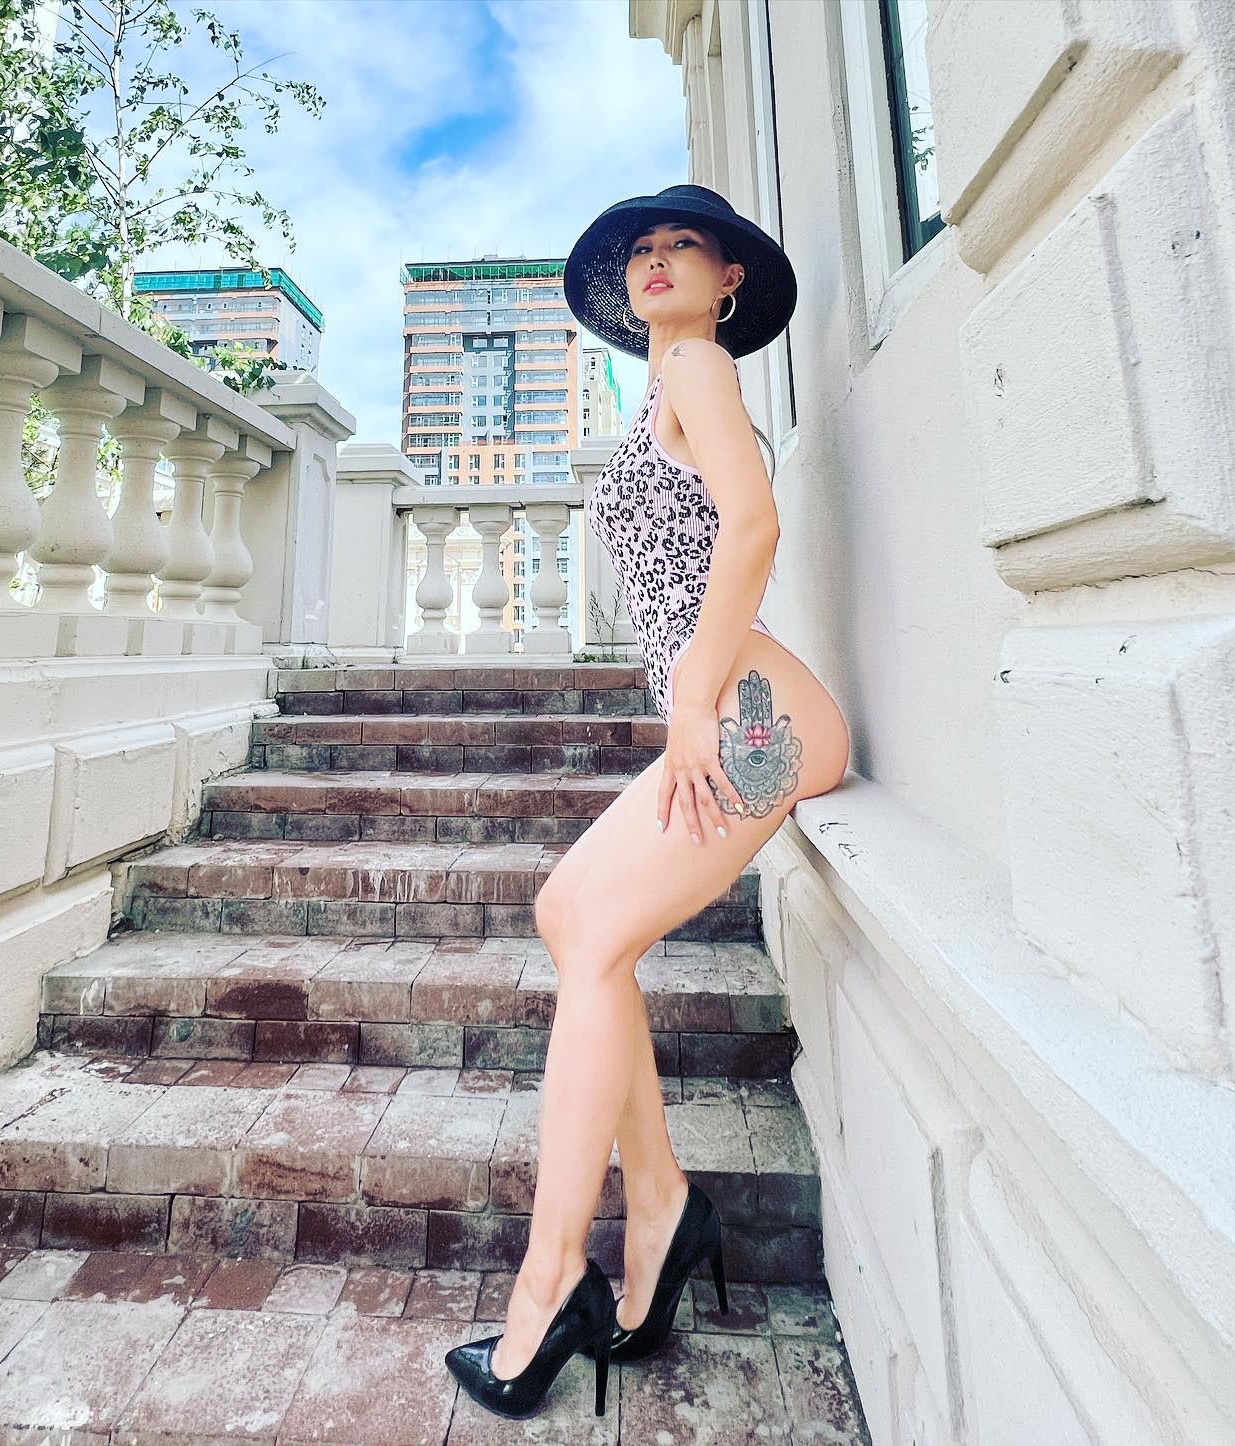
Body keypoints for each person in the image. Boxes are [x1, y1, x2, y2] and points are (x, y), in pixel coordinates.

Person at [444, 183, 852, 1421]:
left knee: (590, 933)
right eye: (644, 249)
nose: (659, 259)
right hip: (745, 709)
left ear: (731, 282)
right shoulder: (665, 385)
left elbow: (754, 525)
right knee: (573, 918)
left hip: (757, 716)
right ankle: (663, 1207)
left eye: (687, 244)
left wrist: (692, 704)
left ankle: (552, 1281)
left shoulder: (698, 366)